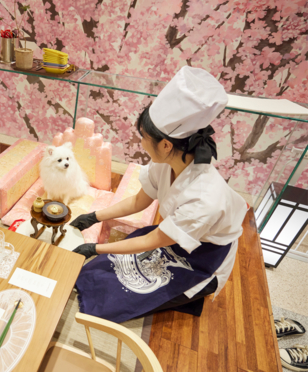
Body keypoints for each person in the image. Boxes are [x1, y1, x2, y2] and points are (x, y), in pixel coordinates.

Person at [70, 66, 248, 323]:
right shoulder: (164, 163)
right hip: (171, 236)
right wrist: (93, 216)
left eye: (143, 137)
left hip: (203, 254)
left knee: (112, 299)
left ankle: (196, 290)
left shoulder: (203, 199)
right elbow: (138, 201)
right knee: (97, 271)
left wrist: (94, 247)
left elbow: (151, 240)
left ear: (166, 145)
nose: (140, 142)